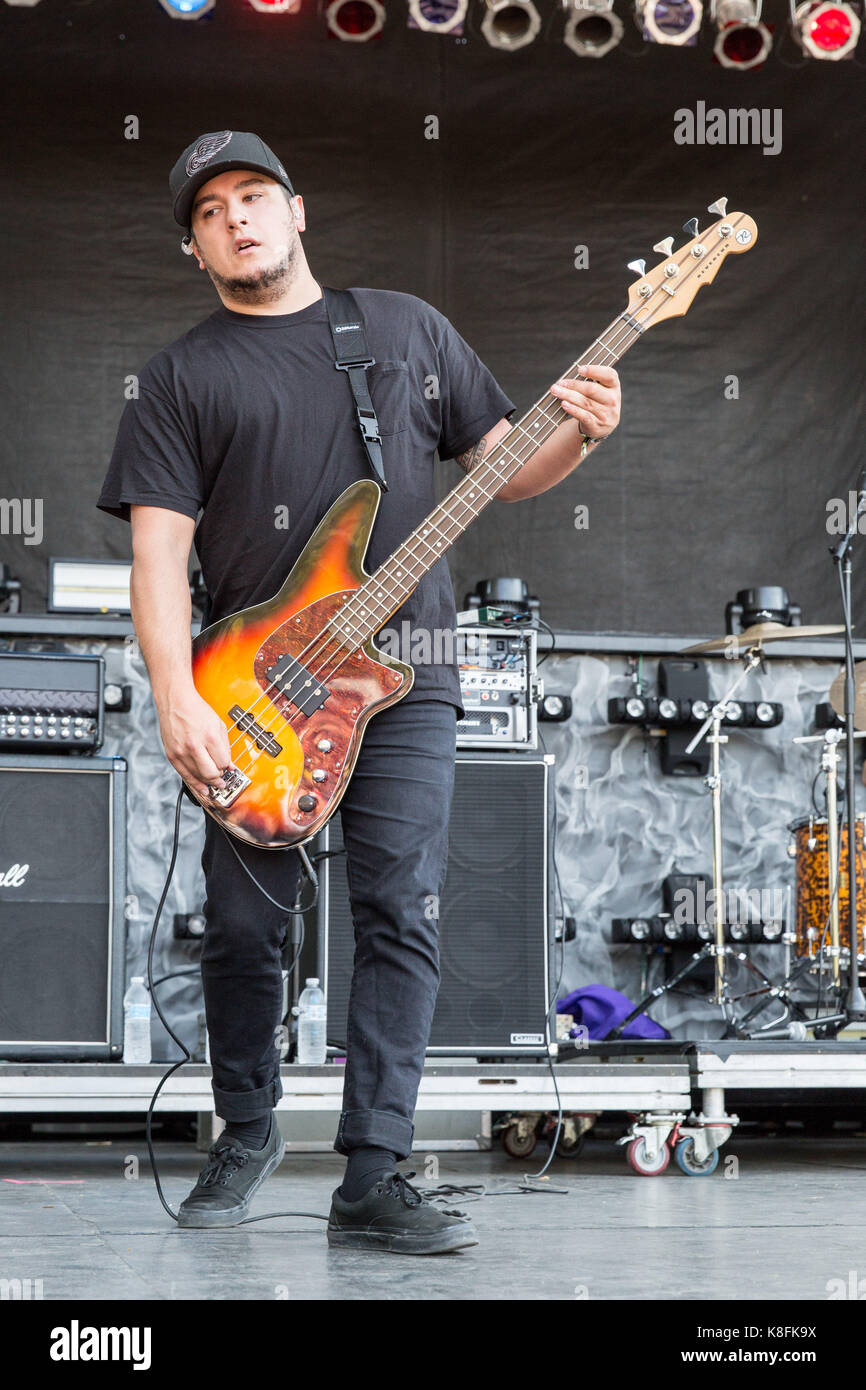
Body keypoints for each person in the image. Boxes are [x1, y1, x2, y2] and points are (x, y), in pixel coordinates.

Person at [96, 130, 620, 1255]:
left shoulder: (400, 330)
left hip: (406, 677)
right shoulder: (182, 378)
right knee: (240, 929)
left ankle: (374, 1171)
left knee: (400, 910)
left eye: (252, 197)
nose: (233, 219)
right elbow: (154, 558)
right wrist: (175, 695)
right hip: (252, 687)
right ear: (194, 248)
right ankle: (244, 1126)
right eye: (208, 213)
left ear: (296, 211)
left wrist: (574, 434)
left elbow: (500, 469)